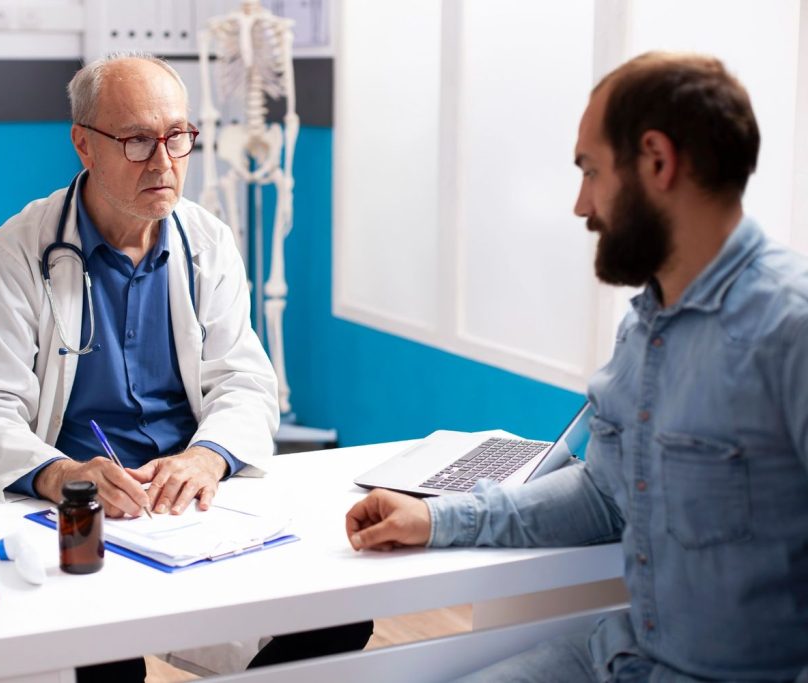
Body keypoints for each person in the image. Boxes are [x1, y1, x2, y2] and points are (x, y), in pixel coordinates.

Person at [345, 52, 808, 682]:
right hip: (622, 658)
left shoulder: (791, 330)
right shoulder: (648, 323)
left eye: (591, 172)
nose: (580, 205)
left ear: (657, 162)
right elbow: (606, 493)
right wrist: (437, 518)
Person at [0, 52, 371, 681]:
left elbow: (246, 381)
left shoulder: (206, 241)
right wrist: (64, 475)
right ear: (84, 145)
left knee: (337, 616)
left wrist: (205, 458)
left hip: (191, 504)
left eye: (177, 136)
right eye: (139, 140)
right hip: (78, 508)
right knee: (100, 662)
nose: (164, 161)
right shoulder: (21, 249)